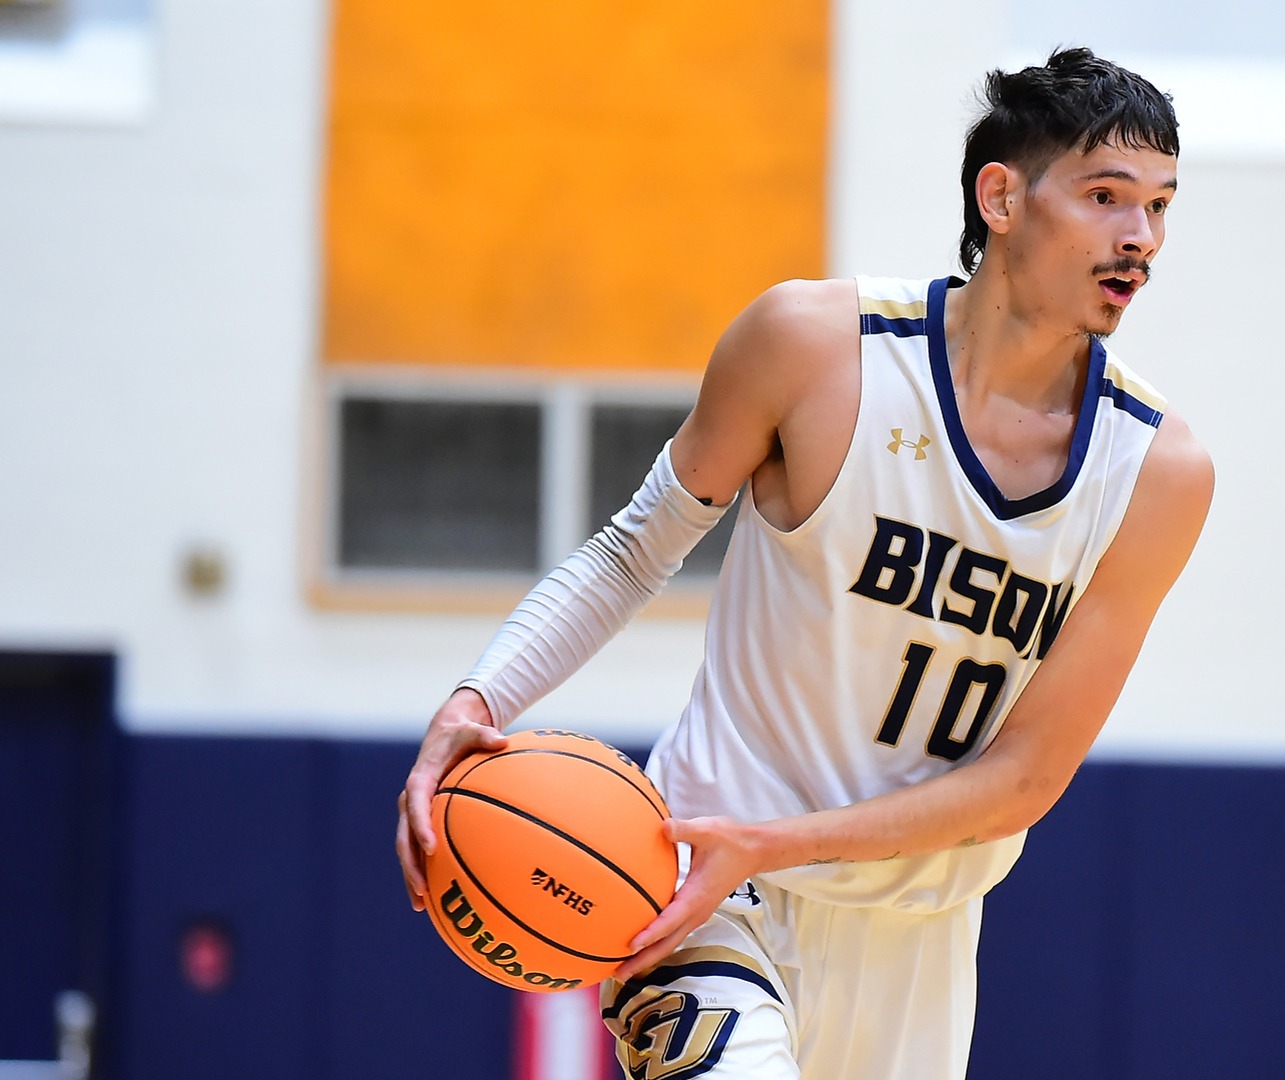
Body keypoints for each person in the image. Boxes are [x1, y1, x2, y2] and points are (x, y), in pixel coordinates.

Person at [395, 46, 1211, 1080]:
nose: (1140, 238)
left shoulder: (1157, 470)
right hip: (711, 888)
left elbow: (1023, 779)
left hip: (917, 930)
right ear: (1001, 197)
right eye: (1107, 197)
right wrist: (478, 700)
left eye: (1160, 207)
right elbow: (631, 552)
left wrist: (781, 843)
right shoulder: (815, 348)